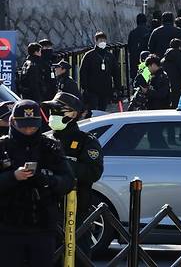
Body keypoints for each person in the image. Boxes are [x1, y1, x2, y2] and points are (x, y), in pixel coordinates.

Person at [0, 100, 75, 267]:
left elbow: (68, 181)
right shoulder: (2, 147)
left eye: (32, 127)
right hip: (7, 227)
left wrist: (46, 180)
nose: (28, 131)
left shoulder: (50, 147)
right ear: (13, 122)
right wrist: (13, 177)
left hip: (42, 226)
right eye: (23, 127)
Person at [41, 92, 103, 257]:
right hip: (46, 213)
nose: (54, 115)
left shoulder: (85, 141)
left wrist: (62, 164)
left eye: (59, 110)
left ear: (74, 114)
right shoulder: (45, 141)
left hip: (75, 213)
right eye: (52, 111)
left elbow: (93, 172)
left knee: (78, 256)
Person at [79, 32, 120, 112]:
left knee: (102, 110)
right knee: (92, 110)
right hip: (92, 90)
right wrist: (84, 88)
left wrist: (117, 88)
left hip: (106, 89)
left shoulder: (109, 56)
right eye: (101, 40)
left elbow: (116, 72)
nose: (103, 42)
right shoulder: (89, 56)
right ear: (96, 41)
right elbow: (83, 72)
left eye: (104, 40)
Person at [127, 13, 151, 80]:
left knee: (135, 79)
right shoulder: (148, 32)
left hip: (134, 60)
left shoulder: (132, 33)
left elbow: (129, 47)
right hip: (146, 60)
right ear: (145, 21)